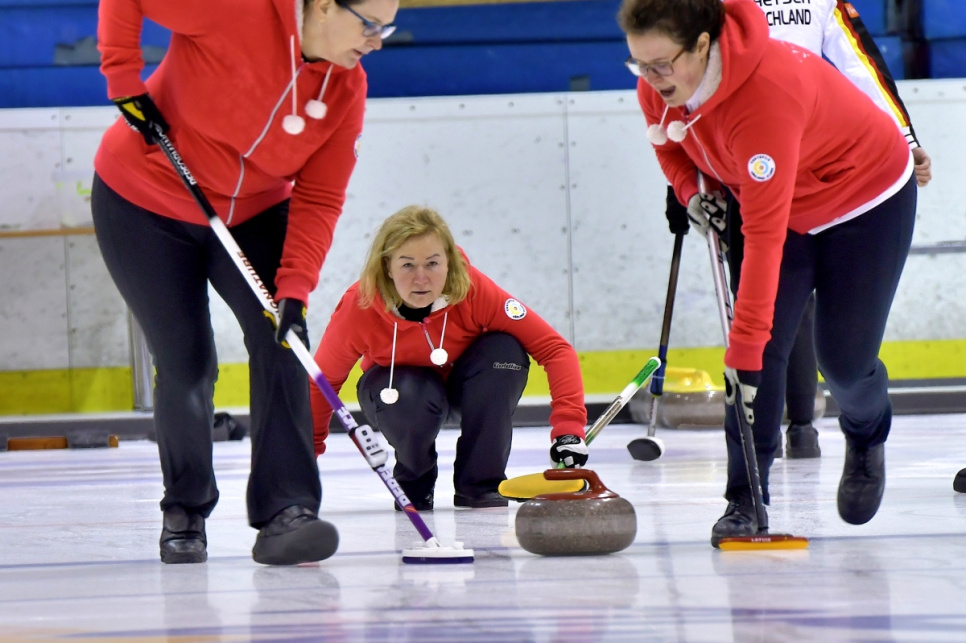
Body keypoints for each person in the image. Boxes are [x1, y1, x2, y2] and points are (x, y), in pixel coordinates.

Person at [90, 0, 399, 565]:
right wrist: (123, 82)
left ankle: (287, 511)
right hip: (144, 201)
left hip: (253, 213)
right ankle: (185, 509)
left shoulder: (346, 88)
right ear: (324, 7)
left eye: (388, 27)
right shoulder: (239, 12)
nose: (379, 40)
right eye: (371, 24)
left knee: (284, 343)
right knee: (186, 362)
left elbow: (320, 197)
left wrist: (296, 288)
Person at [619, 0, 918, 546]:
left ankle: (865, 434)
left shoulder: (765, 93)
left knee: (842, 362)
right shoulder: (658, 86)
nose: (651, 79)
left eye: (661, 64)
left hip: (864, 200)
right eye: (640, 64)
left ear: (702, 45)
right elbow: (672, 147)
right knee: (765, 356)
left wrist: (743, 348)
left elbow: (763, 237)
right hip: (770, 202)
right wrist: (690, 193)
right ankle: (744, 497)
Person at [310, 205, 589, 510]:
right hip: (397, 396)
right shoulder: (360, 305)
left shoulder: (473, 290)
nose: (421, 279)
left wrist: (569, 430)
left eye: (432, 263)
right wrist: (306, 455)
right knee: (409, 391)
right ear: (387, 266)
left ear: (449, 263)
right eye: (407, 265)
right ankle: (414, 482)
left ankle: (480, 484)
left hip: (464, 390)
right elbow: (322, 382)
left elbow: (555, 349)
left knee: (504, 351)